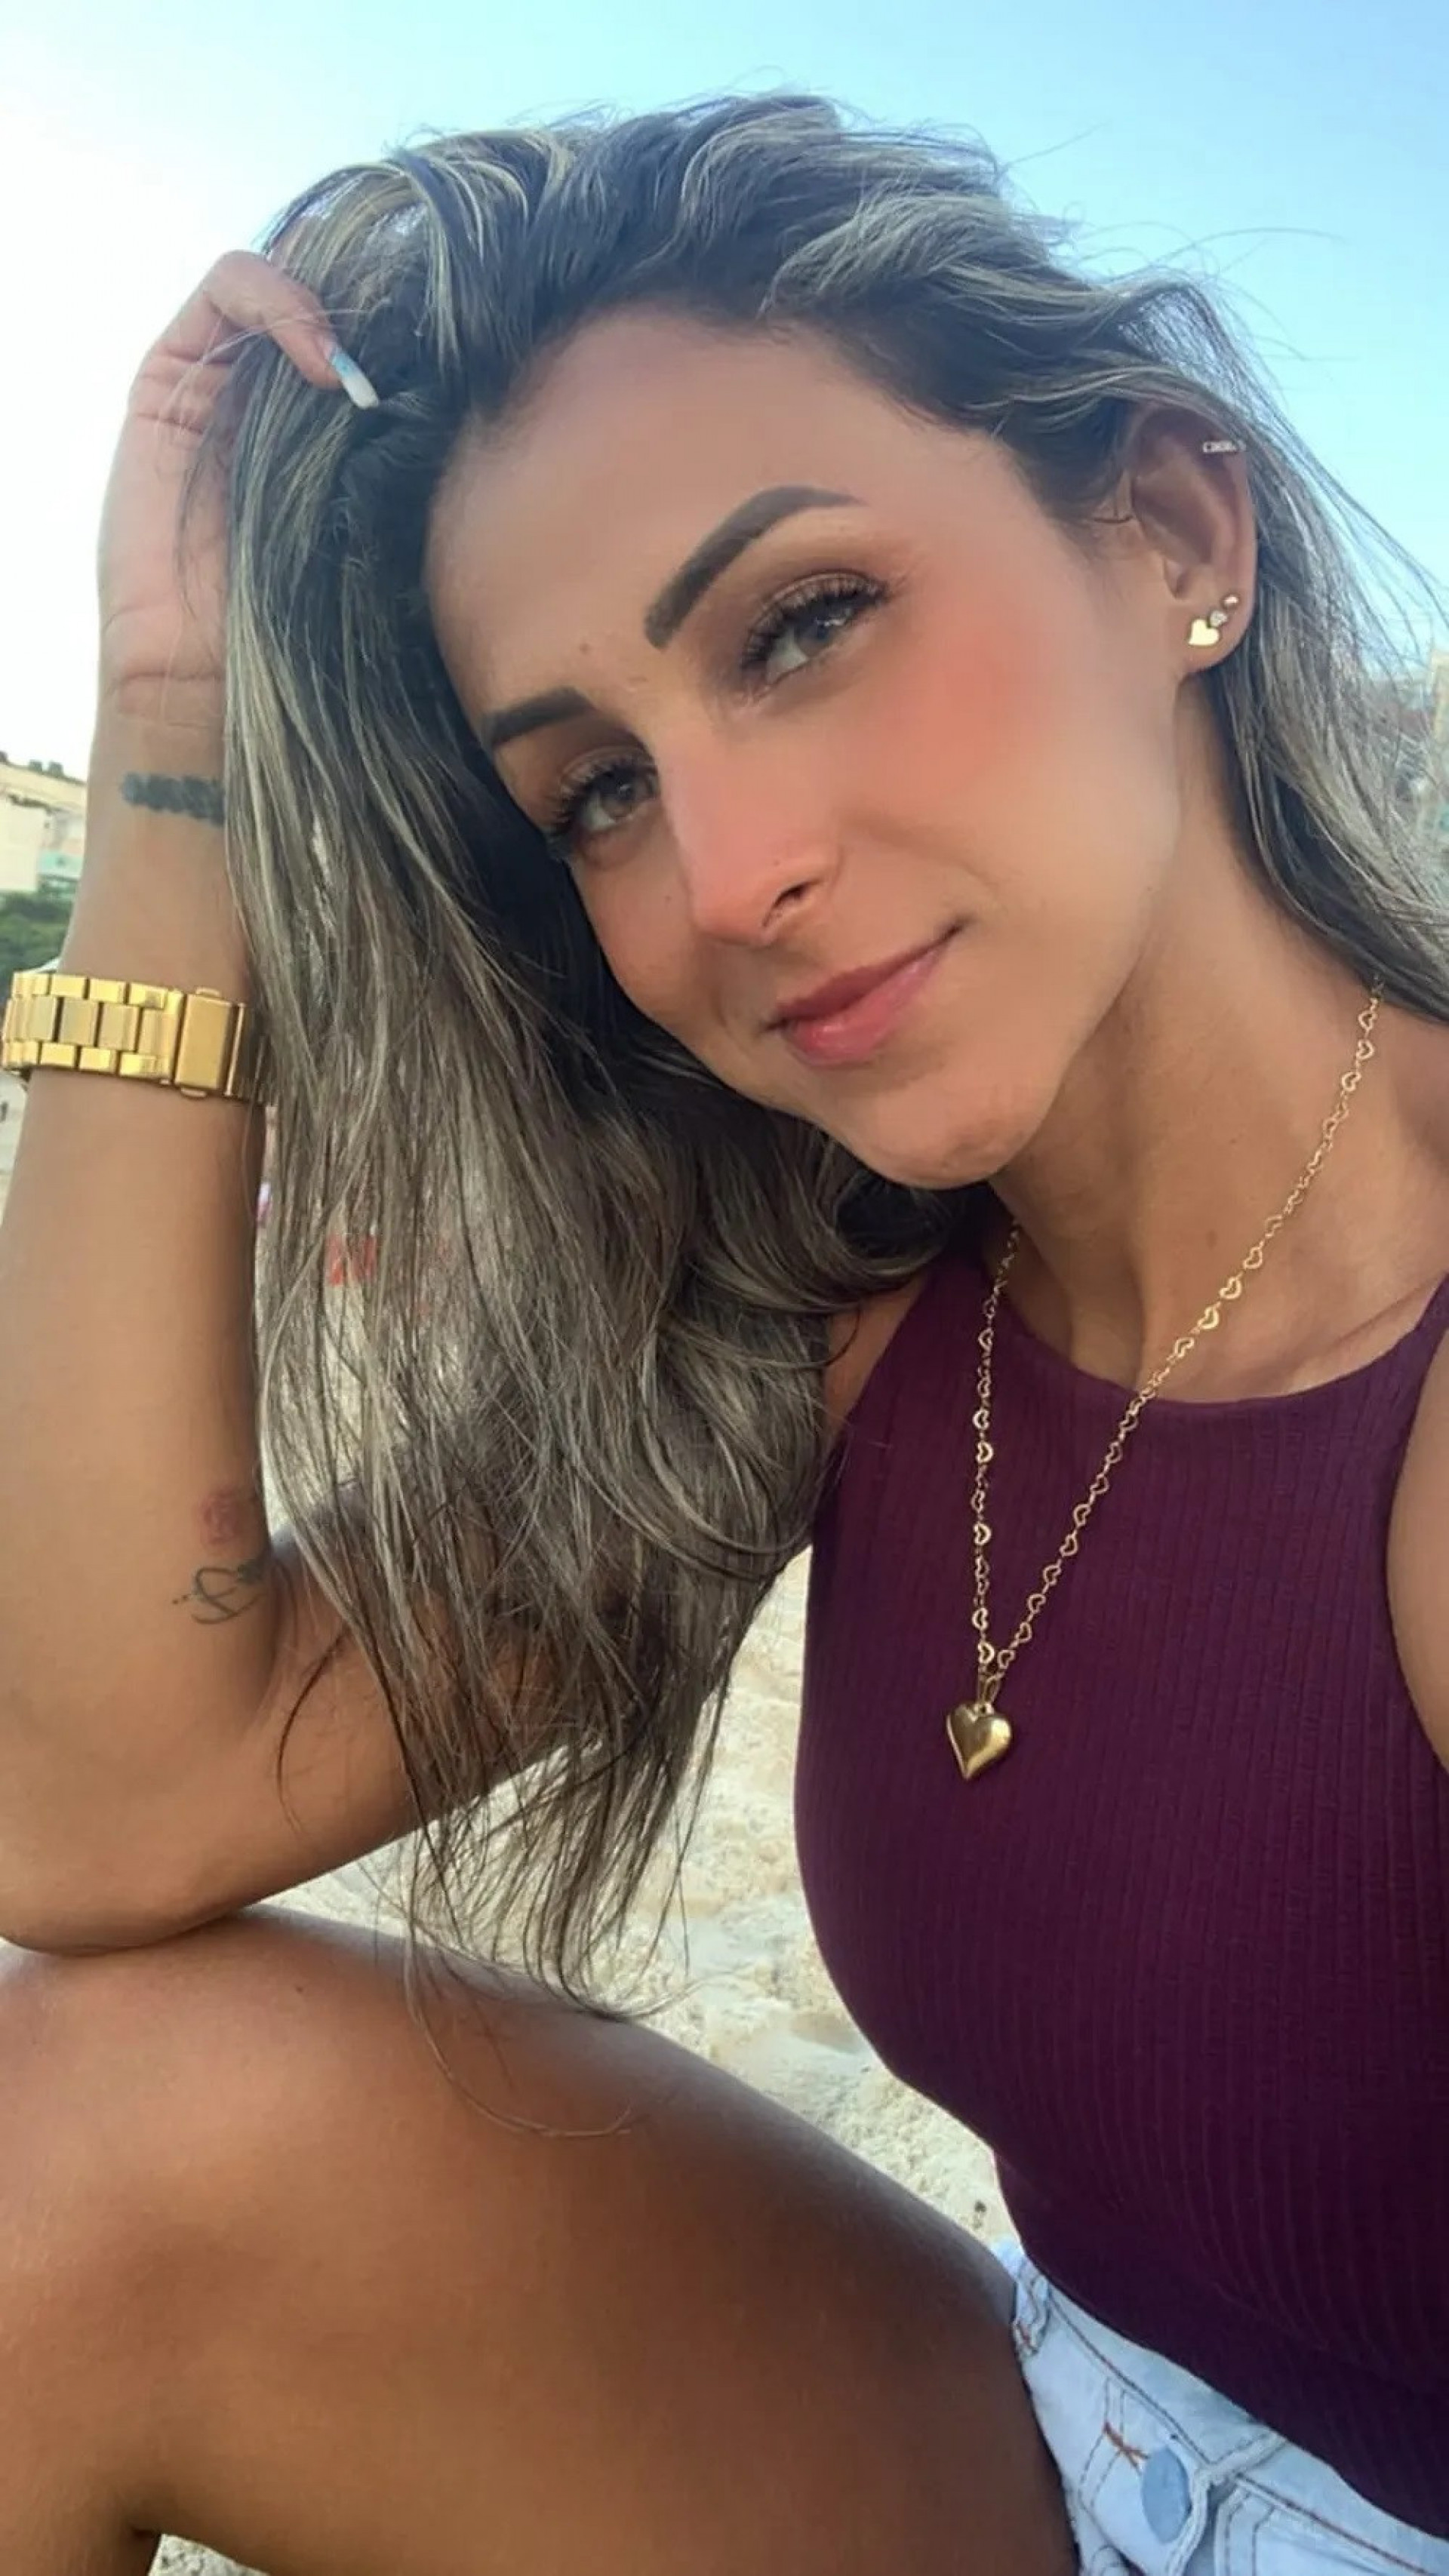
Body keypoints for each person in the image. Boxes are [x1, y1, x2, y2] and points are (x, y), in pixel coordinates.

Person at [0, 91, 1444, 2576]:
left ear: (1172, 535)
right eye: (592, 794)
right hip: (1083, 2419)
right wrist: (173, 730)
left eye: (802, 624)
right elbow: (100, 1803)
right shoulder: (857, 1313)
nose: (729, 874)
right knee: (66, 2156)